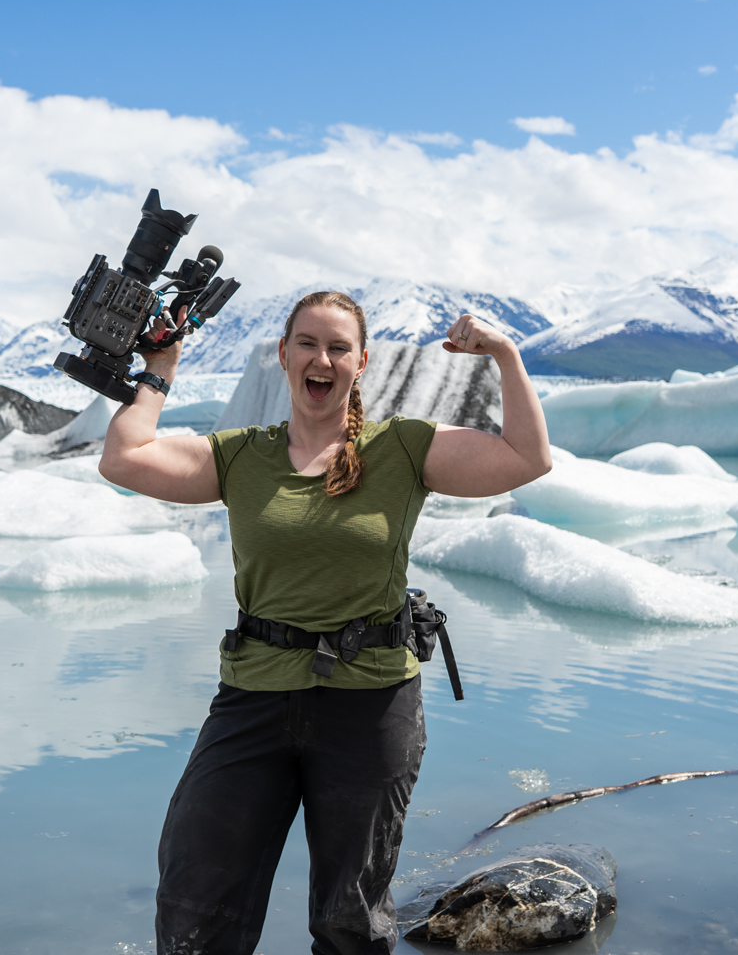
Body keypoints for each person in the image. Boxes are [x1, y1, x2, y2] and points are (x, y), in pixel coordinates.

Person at [98, 291, 553, 955]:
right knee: (198, 892)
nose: (322, 359)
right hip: (253, 696)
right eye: (308, 344)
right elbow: (122, 459)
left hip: (370, 703)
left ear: (360, 363)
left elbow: (526, 458)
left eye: (339, 347)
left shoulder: (403, 448)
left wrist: (505, 355)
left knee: (351, 918)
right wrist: (159, 368)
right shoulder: (241, 456)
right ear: (284, 355)